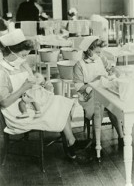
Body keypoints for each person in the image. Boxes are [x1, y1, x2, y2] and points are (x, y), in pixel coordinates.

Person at [0, 29, 89, 160]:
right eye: (23, 55)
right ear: (10, 52)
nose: (24, 59)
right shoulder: (2, 72)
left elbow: (31, 82)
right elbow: (4, 102)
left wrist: (41, 83)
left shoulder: (22, 64)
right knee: (61, 104)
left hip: (30, 100)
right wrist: (23, 88)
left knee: (63, 102)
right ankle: (71, 143)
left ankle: (71, 142)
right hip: (17, 110)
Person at [73, 36, 124, 149]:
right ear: (89, 50)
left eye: (100, 52)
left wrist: (113, 71)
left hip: (104, 89)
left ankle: (121, 137)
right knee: (99, 105)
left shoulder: (102, 59)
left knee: (113, 104)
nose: (99, 54)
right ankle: (97, 141)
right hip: (87, 94)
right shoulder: (79, 65)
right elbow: (79, 86)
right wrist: (95, 82)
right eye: (97, 52)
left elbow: (110, 70)